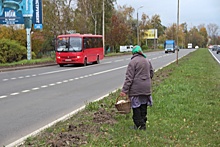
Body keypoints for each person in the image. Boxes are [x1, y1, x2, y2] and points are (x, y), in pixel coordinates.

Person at [120, 45, 154, 130]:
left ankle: (139, 125)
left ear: (133, 53)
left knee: (136, 107)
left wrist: (124, 90)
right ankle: (143, 122)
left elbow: (129, 78)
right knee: (143, 106)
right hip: (146, 88)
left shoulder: (133, 62)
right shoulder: (147, 60)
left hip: (136, 89)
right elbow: (151, 73)